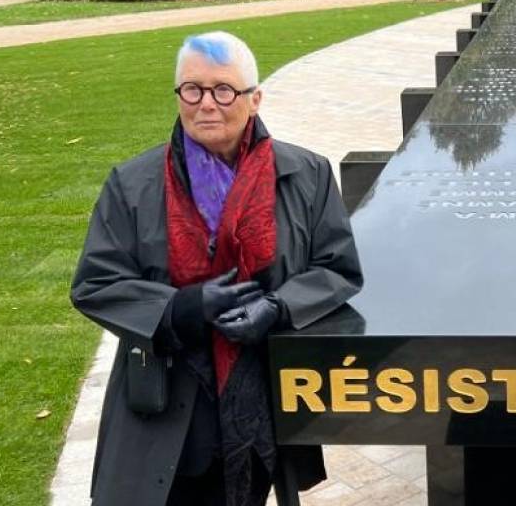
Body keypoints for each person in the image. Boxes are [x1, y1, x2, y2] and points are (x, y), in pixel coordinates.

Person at [71, 31, 363, 506]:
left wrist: (277, 306)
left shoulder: (306, 174)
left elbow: (337, 268)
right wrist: (183, 307)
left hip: (262, 396)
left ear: (254, 99)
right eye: (193, 89)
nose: (206, 104)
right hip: (170, 403)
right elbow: (96, 284)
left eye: (223, 90)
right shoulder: (133, 183)